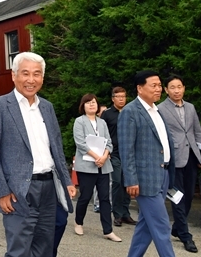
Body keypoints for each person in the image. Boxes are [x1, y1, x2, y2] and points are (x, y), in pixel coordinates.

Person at [0, 51, 76, 257]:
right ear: (13, 75)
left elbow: (56, 147)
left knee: (44, 248)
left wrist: (67, 180)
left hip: (48, 187)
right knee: (19, 250)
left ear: (42, 77)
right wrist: (2, 190)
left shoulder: (47, 107)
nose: (31, 80)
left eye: (37, 74)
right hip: (19, 190)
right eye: (25, 73)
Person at [118, 70, 175, 257]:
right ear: (140, 88)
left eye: (160, 85)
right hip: (144, 179)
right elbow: (126, 149)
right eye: (154, 85)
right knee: (161, 226)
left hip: (163, 175)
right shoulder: (130, 112)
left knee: (146, 226)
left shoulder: (156, 111)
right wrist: (131, 179)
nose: (158, 89)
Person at [158, 74, 201, 253]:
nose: (177, 90)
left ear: (184, 88)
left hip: (191, 156)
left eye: (179, 87)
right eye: (173, 87)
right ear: (166, 90)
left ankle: (177, 227)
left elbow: (196, 132)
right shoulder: (160, 109)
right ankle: (185, 236)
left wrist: (200, 155)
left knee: (190, 195)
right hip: (173, 159)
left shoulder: (190, 107)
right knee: (178, 197)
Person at [72, 94, 120, 242]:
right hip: (87, 165)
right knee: (85, 196)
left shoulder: (102, 123)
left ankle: (108, 230)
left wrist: (104, 156)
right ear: (83, 106)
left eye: (94, 102)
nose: (91, 105)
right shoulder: (79, 122)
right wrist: (96, 156)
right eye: (88, 103)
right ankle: (78, 222)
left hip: (103, 166)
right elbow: (80, 143)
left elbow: (109, 143)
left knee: (105, 198)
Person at [101, 87, 137, 227]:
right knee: (117, 182)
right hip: (114, 153)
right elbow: (102, 133)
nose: (121, 99)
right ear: (113, 98)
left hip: (129, 153)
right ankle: (117, 214)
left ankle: (126, 213)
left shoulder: (130, 112)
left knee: (128, 182)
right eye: (118, 96)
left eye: (123, 96)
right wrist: (105, 152)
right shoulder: (107, 114)